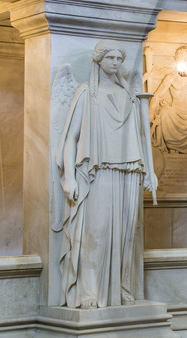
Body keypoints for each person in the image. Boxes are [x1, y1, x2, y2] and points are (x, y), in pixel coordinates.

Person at [55, 42, 158, 308]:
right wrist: (69, 177)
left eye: (119, 58)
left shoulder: (128, 95)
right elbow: (71, 138)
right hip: (98, 172)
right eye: (110, 57)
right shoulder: (87, 93)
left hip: (129, 172)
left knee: (126, 235)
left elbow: (141, 137)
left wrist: (150, 171)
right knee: (96, 232)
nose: (115, 62)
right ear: (99, 60)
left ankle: (121, 288)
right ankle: (89, 291)